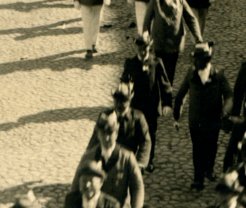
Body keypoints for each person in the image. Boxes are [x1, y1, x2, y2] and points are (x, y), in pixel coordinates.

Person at [174, 42, 232, 190]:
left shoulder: (218, 75)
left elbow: (229, 95)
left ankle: (209, 169)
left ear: (206, 60)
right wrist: (177, 115)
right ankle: (198, 178)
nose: (195, 62)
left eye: (198, 59)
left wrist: (225, 111)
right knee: (198, 148)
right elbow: (181, 94)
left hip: (213, 120)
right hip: (196, 121)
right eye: (195, 59)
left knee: (211, 147)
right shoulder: (191, 73)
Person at [72, 115, 145, 208]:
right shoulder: (89, 156)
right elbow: (76, 186)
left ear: (116, 133)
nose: (106, 138)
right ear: (97, 134)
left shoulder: (127, 157)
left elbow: (137, 186)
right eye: (103, 133)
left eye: (110, 133)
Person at [120, 35, 173, 172]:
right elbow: (123, 82)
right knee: (132, 133)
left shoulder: (156, 62)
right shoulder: (130, 63)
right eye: (139, 49)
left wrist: (167, 103)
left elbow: (165, 84)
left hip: (150, 106)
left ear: (149, 47)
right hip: (135, 106)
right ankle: (132, 160)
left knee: (150, 134)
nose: (142, 52)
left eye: (145, 49)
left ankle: (148, 161)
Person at [142, 0, 203, 84]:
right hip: (159, 43)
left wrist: (198, 37)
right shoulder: (155, 2)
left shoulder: (180, 1)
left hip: (175, 43)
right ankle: (162, 92)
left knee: (171, 72)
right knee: (160, 70)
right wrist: (146, 36)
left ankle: (168, 92)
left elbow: (191, 19)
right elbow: (147, 21)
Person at [85, 83, 151, 170]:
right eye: (117, 100)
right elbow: (95, 138)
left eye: (123, 101)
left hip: (127, 163)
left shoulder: (137, 117)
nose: (120, 104)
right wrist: (88, 159)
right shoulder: (105, 115)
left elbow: (146, 141)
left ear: (129, 100)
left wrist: (140, 163)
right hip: (108, 161)